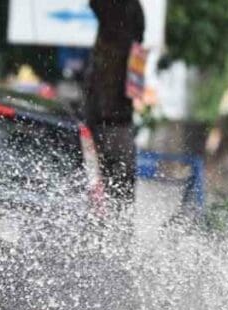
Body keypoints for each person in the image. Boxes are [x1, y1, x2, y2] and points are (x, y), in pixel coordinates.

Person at [85, 0, 145, 212]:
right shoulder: (120, 42)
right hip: (110, 126)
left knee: (116, 197)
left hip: (111, 127)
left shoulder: (119, 42)